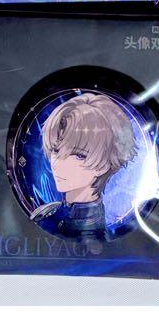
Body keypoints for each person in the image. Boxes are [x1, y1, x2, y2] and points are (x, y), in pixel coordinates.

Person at [30, 93, 137, 246]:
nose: (59, 164)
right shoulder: (49, 212)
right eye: (56, 150)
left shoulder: (90, 232)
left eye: (79, 155)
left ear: (105, 165)